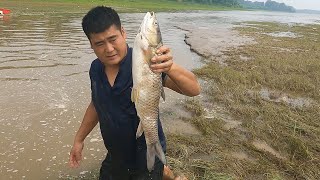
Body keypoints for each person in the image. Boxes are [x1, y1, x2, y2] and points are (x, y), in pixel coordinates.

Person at [68, 6, 200, 180]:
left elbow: (194, 90)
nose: (109, 49)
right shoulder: (95, 68)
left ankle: (166, 172)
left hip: (145, 150)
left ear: (123, 33)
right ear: (91, 45)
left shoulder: (146, 63)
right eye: (99, 43)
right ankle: (166, 173)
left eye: (113, 39)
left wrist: (170, 67)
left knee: (153, 171)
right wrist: (79, 139)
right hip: (116, 154)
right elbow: (96, 104)